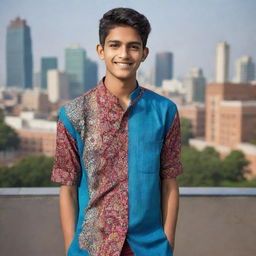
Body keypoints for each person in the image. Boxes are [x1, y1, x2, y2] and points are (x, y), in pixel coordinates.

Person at [51, 7, 183, 256]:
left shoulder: (165, 111)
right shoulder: (73, 114)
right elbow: (67, 187)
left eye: (133, 46)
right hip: (90, 249)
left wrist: (167, 244)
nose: (124, 54)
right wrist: (71, 247)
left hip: (148, 248)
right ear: (101, 51)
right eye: (115, 45)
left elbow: (169, 183)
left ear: (144, 53)